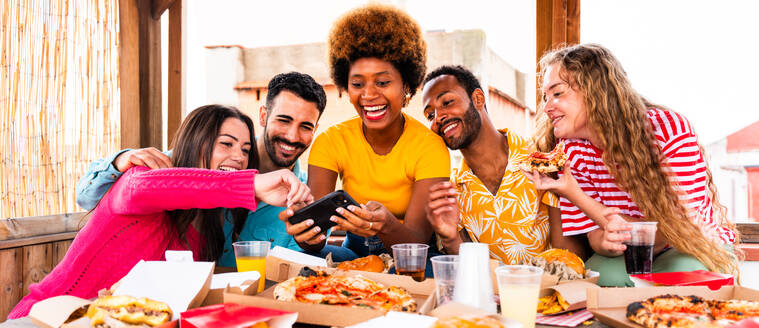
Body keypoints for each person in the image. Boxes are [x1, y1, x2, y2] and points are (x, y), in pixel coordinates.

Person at [8, 105, 311, 318]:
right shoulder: (139, 179)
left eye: (245, 150)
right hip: (46, 318)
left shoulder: (203, 230)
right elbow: (169, 186)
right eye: (226, 144)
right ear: (194, 143)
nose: (238, 157)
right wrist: (252, 184)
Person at [73, 72, 351, 264]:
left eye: (305, 127)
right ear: (264, 116)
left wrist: (311, 246)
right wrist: (121, 160)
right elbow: (88, 196)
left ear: (315, 130)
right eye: (284, 120)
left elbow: (294, 274)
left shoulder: (301, 199)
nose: (292, 136)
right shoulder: (211, 156)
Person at [525, 43, 739, 286]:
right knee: (595, 278)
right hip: (630, 253)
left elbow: (681, 230)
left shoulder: (668, 132)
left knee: (683, 277)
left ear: (595, 90)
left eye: (557, 93)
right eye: (545, 97)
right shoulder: (571, 150)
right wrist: (605, 243)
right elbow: (594, 234)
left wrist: (620, 228)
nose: (547, 106)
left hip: (689, 245)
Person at [282, 4, 450, 268]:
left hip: (411, 253)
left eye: (383, 83)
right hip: (356, 252)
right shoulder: (331, 141)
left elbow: (417, 242)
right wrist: (306, 236)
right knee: (306, 260)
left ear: (406, 85)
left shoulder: (429, 147)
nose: (369, 95)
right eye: (357, 84)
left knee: (433, 270)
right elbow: (315, 239)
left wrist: (385, 225)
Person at [420, 65, 587, 265]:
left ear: (478, 99)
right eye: (430, 115)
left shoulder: (543, 158)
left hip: (551, 292)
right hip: (493, 296)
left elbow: (572, 259)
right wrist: (450, 238)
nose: (438, 118)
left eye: (447, 102)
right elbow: (471, 274)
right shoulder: (453, 192)